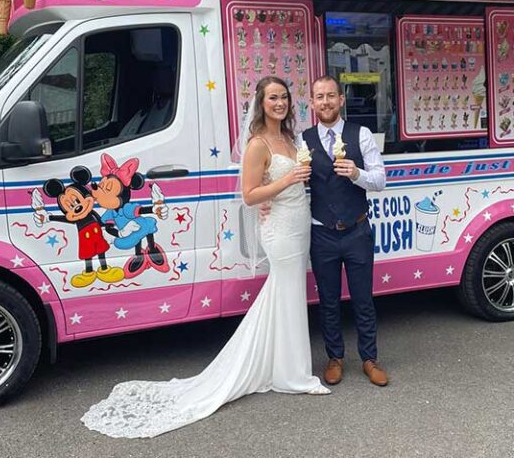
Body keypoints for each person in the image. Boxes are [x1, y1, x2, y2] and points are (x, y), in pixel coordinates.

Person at [81, 76, 330, 439]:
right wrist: (289, 179)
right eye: (273, 97)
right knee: (287, 291)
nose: (280, 103)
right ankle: (294, 375)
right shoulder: (258, 144)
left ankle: (284, 367)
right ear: (261, 103)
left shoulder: (290, 139)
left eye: (285, 97)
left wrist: (293, 183)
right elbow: (249, 195)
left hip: (298, 221)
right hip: (279, 229)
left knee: (287, 294)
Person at [303, 76, 388, 387]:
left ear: (341, 99)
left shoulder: (360, 134)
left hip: (356, 230)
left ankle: (369, 358)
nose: (325, 102)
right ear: (311, 103)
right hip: (321, 232)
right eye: (319, 97)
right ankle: (335, 357)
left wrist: (356, 174)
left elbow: (380, 180)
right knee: (328, 300)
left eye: (330, 96)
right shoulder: (304, 140)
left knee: (363, 298)